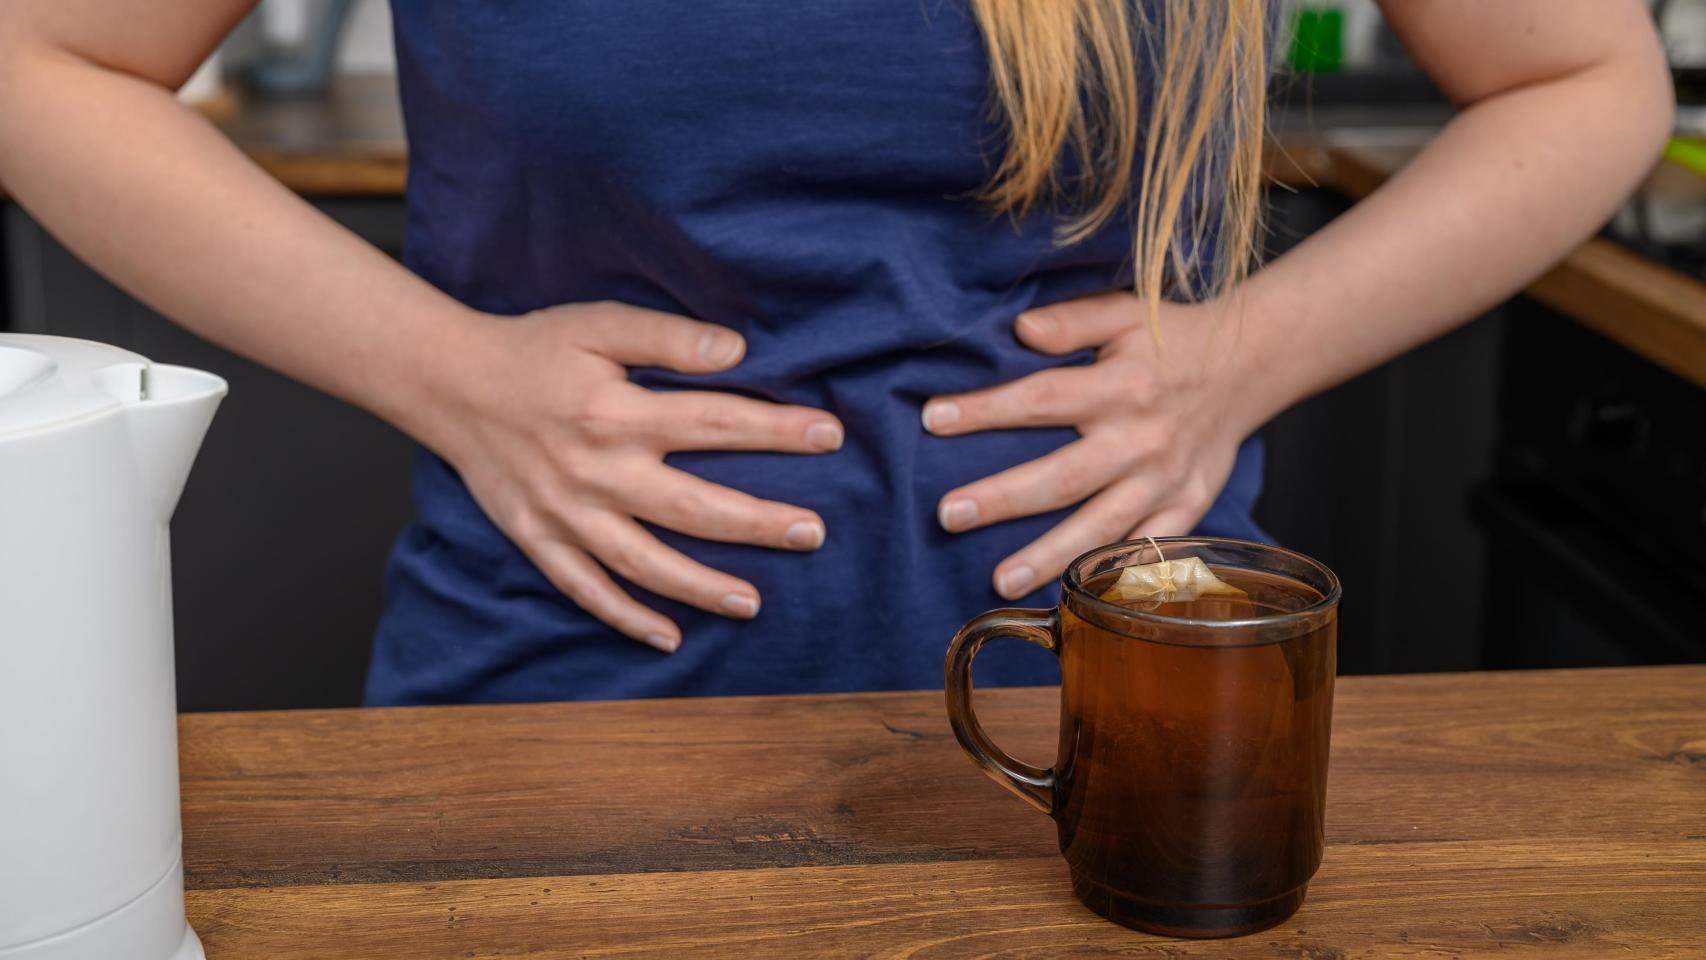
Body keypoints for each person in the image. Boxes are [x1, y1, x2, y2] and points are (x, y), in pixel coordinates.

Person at [0, 1, 1672, 703]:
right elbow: (44, 52)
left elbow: (1581, 76)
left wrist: (1249, 348)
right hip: (570, 688)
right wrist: (446, 370)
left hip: (1110, 705)